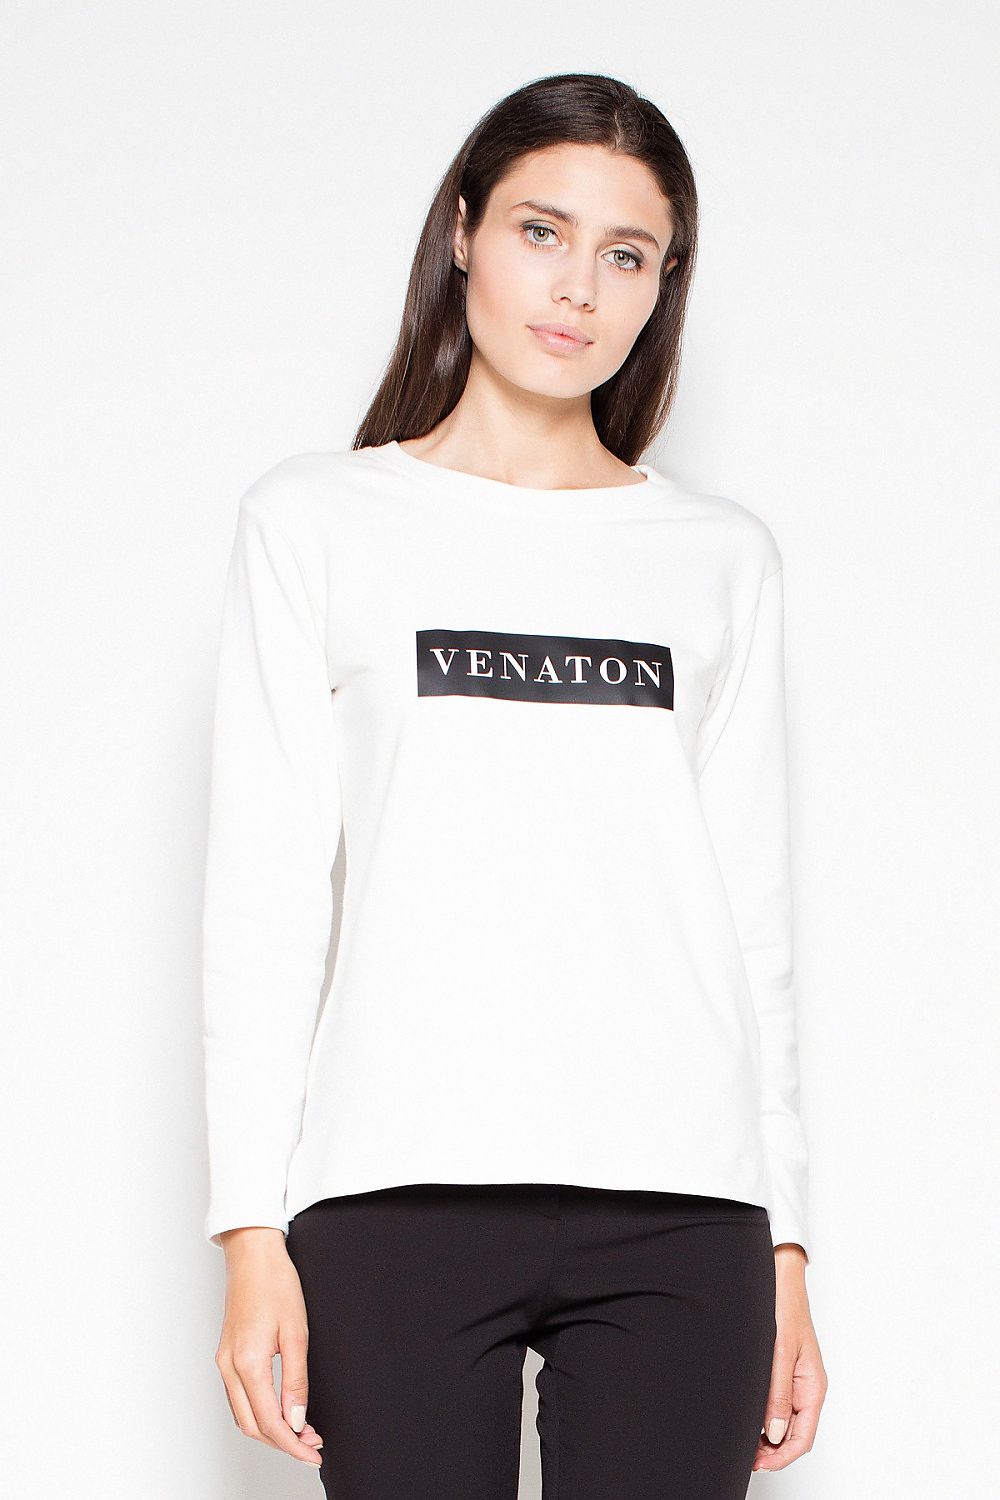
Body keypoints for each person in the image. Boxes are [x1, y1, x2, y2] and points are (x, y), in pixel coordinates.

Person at [202, 70, 828, 1498]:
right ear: (464, 232)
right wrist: (249, 1235)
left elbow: (755, 929)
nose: (578, 288)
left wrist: (786, 1245)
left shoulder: (721, 558)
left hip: (684, 1209)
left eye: (628, 254)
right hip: (394, 1194)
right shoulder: (316, 521)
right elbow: (263, 899)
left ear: (662, 287)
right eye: (543, 232)